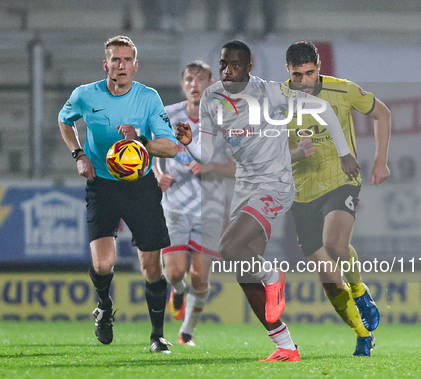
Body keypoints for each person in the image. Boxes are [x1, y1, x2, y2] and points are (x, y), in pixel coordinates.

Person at [176, 40, 360, 361]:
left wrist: (344, 152)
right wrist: (189, 143)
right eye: (223, 64)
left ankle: (273, 275)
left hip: (274, 182)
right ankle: (286, 346)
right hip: (246, 185)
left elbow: (325, 110)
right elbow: (204, 153)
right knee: (244, 271)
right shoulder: (212, 96)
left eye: (235, 65)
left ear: (250, 67)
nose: (227, 71)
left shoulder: (272, 92)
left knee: (230, 247)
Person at [57, 35, 179, 354]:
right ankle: (103, 307)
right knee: (103, 264)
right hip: (102, 183)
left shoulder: (148, 98)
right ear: (106, 64)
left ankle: (157, 335)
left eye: (127, 60)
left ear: (135, 66)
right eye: (115, 59)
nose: (121, 65)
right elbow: (64, 120)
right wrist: (79, 155)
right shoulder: (85, 95)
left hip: (140, 186)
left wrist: (140, 140)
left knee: (152, 267)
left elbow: (171, 146)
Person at [285, 40, 392, 357]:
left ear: (319, 69)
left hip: (341, 180)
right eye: (297, 75)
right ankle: (362, 334)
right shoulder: (276, 98)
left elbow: (382, 114)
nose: (304, 82)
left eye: (310, 73)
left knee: (334, 245)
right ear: (287, 72)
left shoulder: (343, 91)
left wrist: (380, 161)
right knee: (328, 277)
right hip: (301, 190)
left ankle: (359, 290)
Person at [155, 61, 236, 346]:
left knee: (200, 276)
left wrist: (211, 166)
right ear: (183, 84)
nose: (195, 85)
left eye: (201, 80)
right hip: (174, 203)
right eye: (190, 79)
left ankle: (186, 332)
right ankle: (177, 291)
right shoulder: (167, 115)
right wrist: (159, 175)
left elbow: (237, 168)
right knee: (176, 272)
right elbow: (154, 150)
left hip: (209, 206)